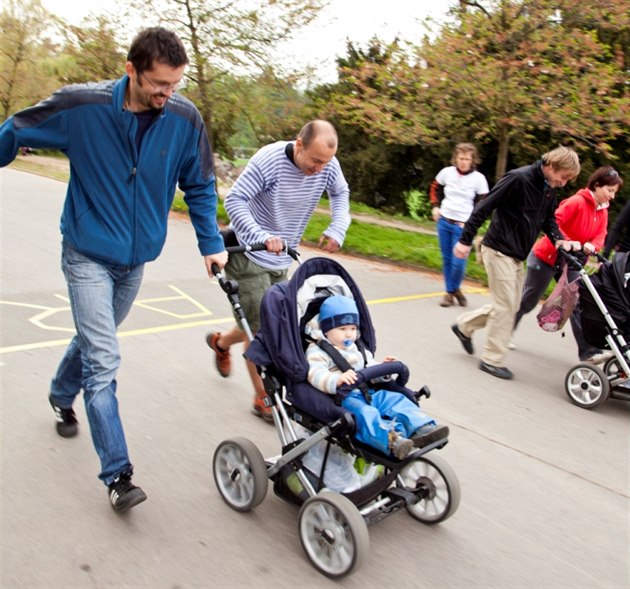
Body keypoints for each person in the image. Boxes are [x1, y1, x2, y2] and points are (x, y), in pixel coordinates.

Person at [0, 27, 228, 512]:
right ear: (131, 70)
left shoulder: (184, 118)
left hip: (135, 260)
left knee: (91, 340)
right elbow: (17, 127)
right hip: (85, 252)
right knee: (104, 358)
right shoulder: (82, 107)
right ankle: (118, 475)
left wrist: (210, 242)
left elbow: (201, 182)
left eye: (175, 84)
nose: (168, 94)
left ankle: (61, 393)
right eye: (158, 84)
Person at [205, 120, 351, 420]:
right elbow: (234, 199)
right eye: (314, 162)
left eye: (326, 163)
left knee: (262, 320)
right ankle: (263, 397)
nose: (320, 170)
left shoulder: (327, 164)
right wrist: (260, 236)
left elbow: (340, 192)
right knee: (260, 330)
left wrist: (338, 226)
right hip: (250, 254)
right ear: (299, 144)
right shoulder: (268, 161)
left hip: (283, 257)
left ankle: (220, 343)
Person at [450, 146, 581, 380]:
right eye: (563, 176)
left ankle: (464, 326)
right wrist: (464, 240)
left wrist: (559, 240)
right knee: (506, 306)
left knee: (510, 304)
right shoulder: (518, 179)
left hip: (517, 255)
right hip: (498, 249)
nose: (564, 182)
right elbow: (484, 207)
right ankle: (491, 358)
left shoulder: (548, 188)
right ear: (550, 166)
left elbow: (548, 219)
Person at [305, 296, 449, 459]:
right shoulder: (318, 351)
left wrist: (382, 367)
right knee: (366, 413)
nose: (349, 334)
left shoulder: (356, 347)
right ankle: (392, 440)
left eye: (353, 329)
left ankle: (422, 428)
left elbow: (367, 364)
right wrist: (336, 380)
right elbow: (315, 374)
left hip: (369, 391)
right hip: (344, 397)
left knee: (395, 400)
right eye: (342, 329)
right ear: (326, 329)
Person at [513, 166, 623, 363]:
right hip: (546, 257)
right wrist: (570, 242)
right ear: (597, 185)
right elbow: (554, 223)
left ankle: (588, 352)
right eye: (610, 190)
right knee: (528, 300)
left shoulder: (603, 210)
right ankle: (505, 331)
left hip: (572, 262)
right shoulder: (577, 202)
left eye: (614, 192)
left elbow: (601, 235)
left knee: (578, 302)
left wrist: (592, 246)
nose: (612, 196)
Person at [430, 143, 489, 307]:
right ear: (456, 158)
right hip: (444, 221)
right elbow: (434, 187)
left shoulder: (479, 179)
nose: (463, 162)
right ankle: (450, 292)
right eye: (461, 158)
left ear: (473, 160)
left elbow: (484, 204)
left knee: (458, 262)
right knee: (447, 259)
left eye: (467, 159)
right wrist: (435, 206)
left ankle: (453, 289)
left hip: (463, 226)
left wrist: (471, 222)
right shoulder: (446, 173)